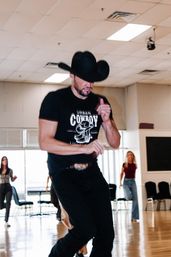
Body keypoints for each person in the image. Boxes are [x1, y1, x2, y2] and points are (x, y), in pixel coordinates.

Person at [39, 50, 120, 257]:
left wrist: (107, 122)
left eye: (92, 80)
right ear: (72, 76)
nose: (89, 85)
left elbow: (115, 142)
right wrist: (83, 148)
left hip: (91, 172)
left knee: (106, 234)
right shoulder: (55, 100)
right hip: (64, 173)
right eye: (85, 79)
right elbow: (45, 142)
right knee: (85, 229)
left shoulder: (100, 102)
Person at [119, 151, 139, 222]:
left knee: (136, 199)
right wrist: (120, 182)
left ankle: (134, 217)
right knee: (129, 197)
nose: (130, 156)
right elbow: (121, 173)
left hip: (133, 182)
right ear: (127, 157)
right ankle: (126, 195)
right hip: (126, 182)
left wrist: (133, 181)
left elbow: (134, 174)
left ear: (133, 156)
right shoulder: (124, 164)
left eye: (131, 155)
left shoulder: (135, 165)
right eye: (128, 155)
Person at [0, 156, 17, 228]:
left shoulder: (10, 170)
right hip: (1, 187)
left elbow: (12, 180)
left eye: (6, 160)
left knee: (8, 203)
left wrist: (14, 178)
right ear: (1, 162)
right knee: (1, 205)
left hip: (8, 188)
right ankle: (6, 206)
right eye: (3, 160)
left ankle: (6, 221)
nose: (5, 161)